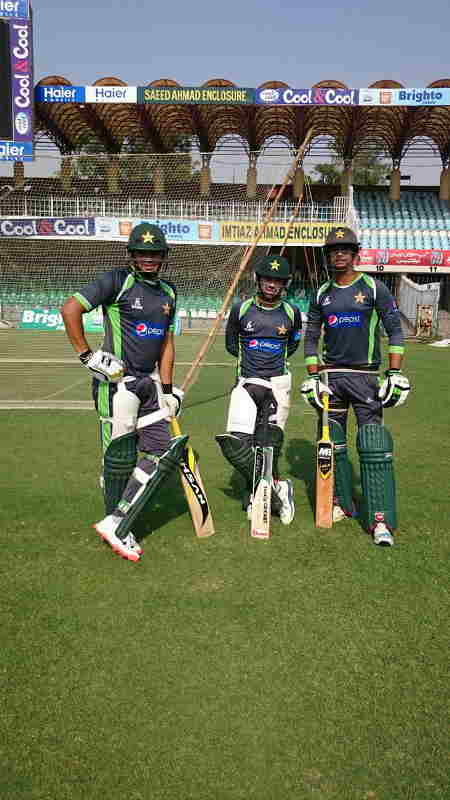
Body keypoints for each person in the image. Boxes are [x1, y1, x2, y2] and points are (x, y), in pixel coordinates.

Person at [61, 222, 187, 562]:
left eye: (154, 253)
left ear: (163, 257)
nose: (148, 258)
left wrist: (169, 390)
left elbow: (167, 344)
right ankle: (118, 526)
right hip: (117, 384)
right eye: (142, 252)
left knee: (161, 451)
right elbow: (70, 309)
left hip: (149, 385)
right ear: (131, 254)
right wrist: (88, 357)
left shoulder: (169, 292)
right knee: (118, 457)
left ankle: (117, 518)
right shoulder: (117, 281)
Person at [301, 226, 410, 546]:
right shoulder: (321, 292)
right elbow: (310, 338)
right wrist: (311, 376)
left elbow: (395, 331)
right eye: (334, 249)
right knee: (332, 444)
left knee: (373, 444)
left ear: (355, 253)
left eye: (345, 249)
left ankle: (380, 519)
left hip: (365, 377)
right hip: (331, 377)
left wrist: (393, 373)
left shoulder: (374, 288)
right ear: (327, 255)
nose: (339, 253)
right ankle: (339, 502)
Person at [216, 254, 302, 524]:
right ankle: (263, 488)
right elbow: (231, 344)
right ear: (258, 279)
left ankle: (270, 488)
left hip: (277, 383)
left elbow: (293, 345)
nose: (272, 285)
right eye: (267, 279)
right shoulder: (241, 309)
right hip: (246, 381)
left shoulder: (291, 312)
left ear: (284, 284)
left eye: (278, 281)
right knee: (239, 442)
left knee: (269, 443)